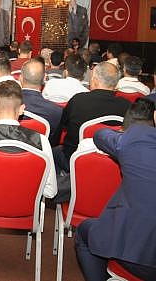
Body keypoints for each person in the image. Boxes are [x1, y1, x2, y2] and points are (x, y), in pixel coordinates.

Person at [75, 99, 156, 281]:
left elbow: (100, 135)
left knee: (83, 232)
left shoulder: (139, 138)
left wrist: (123, 134)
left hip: (138, 256)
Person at [54, 62, 131, 173]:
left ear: (94, 80)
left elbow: (64, 125)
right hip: (113, 162)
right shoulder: (127, 106)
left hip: (74, 159)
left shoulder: (78, 101)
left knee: (52, 152)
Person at [20, 58, 63, 146]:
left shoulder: (4, 106)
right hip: (43, 151)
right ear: (44, 78)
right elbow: (54, 143)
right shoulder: (56, 111)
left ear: (20, 78)